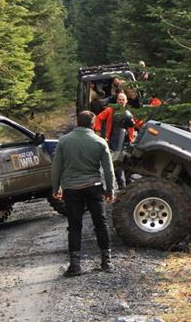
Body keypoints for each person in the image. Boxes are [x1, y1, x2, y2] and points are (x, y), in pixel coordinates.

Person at [51, 111, 117, 277]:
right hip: (94, 187)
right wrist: (110, 190)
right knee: (100, 223)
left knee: (74, 226)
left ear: (77, 123)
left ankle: (75, 266)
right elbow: (109, 170)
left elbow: (56, 167)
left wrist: (56, 188)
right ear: (93, 124)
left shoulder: (64, 141)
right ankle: (106, 261)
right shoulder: (100, 142)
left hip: (72, 189)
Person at [94, 92, 136, 188]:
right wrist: (98, 130)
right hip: (114, 140)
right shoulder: (110, 110)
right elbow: (99, 118)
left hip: (127, 140)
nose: (121, 101)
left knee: (128, 161)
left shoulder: (129, 111)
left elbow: (136, 123)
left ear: (126, 101)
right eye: (119, 99)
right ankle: (121, 185)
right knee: (117, 162)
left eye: (123, 100)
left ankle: (129, 184)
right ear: (117, 101)